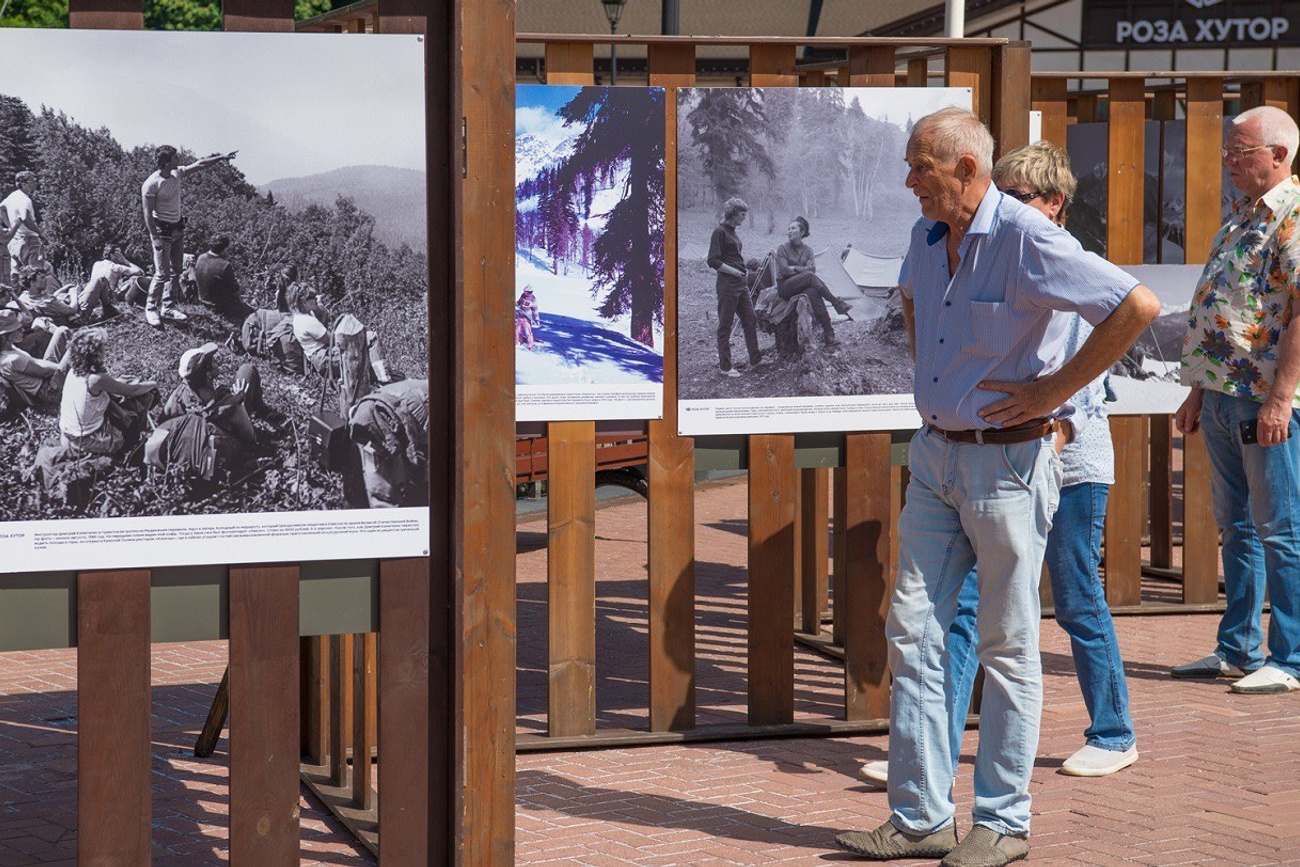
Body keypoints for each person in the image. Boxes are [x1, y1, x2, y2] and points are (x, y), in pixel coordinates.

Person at [833, 108, 1159, 866]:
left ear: (967, 171)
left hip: (1009, 464)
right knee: (912, 633)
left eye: (923, 166)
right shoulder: (926, 238)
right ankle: (920, 818)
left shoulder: (1027, 236)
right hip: (937, 459)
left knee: (1006, 645)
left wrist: (1053, 394)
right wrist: (934, 388)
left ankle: (1004, 821)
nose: (909, 180)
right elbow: (916, 300)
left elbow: (1135, 306)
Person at [1171, 105, 1300, 695]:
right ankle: (1238, 648)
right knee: (1237, 527)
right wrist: (1197, 389)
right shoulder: (1241, 215)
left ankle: (1290, 657)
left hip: (1261, 402)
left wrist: (1281, 400)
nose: (1229, 161)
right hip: (1223, 395)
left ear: (1279, 155)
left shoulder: (1292, 216)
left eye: (1240, 152)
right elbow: (1222, 308)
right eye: (1228, 151)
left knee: (1280, 528)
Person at [140, 145, 237, 328]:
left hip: (177, 230)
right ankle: (151, 308)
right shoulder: (151, 184)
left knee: (177, 270)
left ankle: (168, 307)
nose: (179, 159)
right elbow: (147, 214)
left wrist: (222, 157)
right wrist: (155, 237)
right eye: (176, 158)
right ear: (167, 162)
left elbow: (200, 164)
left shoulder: (176, 173)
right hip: (162, 232)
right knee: (162, 273)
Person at [59, 327, 157, 458]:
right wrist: (153, 383)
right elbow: (133, 391)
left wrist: (115, 382)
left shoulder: (74, 372)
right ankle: (134, 442)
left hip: (68, 431)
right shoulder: (96, 379)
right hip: (87, 438)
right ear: (95, 354)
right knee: (147, 395)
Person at [160, 342, 270, 446]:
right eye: (213, 361)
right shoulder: (229, 405)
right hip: (227, 445)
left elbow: (162, 424)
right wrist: (239, 401)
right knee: (247, 370)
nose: (217, 362)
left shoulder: (179, 396)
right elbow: (250, 437)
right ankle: (262, 411)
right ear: (208, 375)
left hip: (196, 439)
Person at [287, 282, 394, 384]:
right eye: (313, 298)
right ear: (305, 302)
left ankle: (380, 375)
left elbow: (322, 330)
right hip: (325, 359)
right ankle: (384, 379)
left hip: (321, 358)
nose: (316, 300)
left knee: (367, 349)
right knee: (371, 337)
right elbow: (333, 340)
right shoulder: (307, 321)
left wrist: (321, 311)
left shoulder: (300, 317)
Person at [707, 197, 765, 377]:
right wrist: (735, 272)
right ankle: (725, 367)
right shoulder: (719, 232)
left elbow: (733, 256)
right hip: (727, 285)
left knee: (750, 320)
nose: (745, 217)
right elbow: (713, 260)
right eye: (742, 214)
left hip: (741, 284)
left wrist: (744, 271)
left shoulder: (734, 232)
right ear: (733, 213)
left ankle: (756, 360)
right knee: (726, 324)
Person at [775, 216, 853, 347]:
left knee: (813, 293)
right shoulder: (782, 248)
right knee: (809, 276)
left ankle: (829, 334)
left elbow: (813, 269)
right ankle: (836, 302)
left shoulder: (808, 250)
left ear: (802, 232)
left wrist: (794, 268)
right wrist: (804, 269)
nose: (789, 231)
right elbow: (784, 271)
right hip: (785, 286)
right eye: (788, 229)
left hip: (803, 285)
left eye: (793, 228)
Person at [0, 307, 68, 411]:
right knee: (74, 349)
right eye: (17, 329)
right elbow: (49, 371)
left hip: (46, 373)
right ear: (5, 336)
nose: (23, 330)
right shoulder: (12, 359)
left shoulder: (10, 347)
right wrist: (65, 362)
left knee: (62, 331)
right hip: (50, 390)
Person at [74, 245, 142, 320]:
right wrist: (125, 261)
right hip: (109, 297)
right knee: (134, 279)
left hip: (95, 294)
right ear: (111, 254)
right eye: (119, 253)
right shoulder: (115, 267)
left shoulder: (97, 264)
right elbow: (140, 272)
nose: (121, 255)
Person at [194, 236, 253, 321]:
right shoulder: (224, 265)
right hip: (219, 306)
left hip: (203, 300)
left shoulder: (201, 257)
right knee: (253, 312)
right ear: (224, 249)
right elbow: (234, 288)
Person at [2, 171, 45, 273]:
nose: (36, 182)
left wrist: (10, 226)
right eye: (33, 180)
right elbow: (25, 218)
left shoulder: (13, 196)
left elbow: (1, 209)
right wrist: (40, 233)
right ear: (24, 184)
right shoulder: (25, 200)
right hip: (29, 241)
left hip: (14, 242)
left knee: (16, 275)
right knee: (35, 273)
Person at [516, 286, 540, 350]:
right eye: (524, 291)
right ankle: (518, 342)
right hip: (520, 317)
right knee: (518, 331)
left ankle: (530, 345)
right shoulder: (523, 296)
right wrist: (516, 303)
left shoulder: (533, 299)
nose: (524, 293)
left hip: (527, 318)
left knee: (528, 332)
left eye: (526, 292)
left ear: (529, 292)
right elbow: (519, 302)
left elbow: (535, 309)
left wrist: (537, 319)